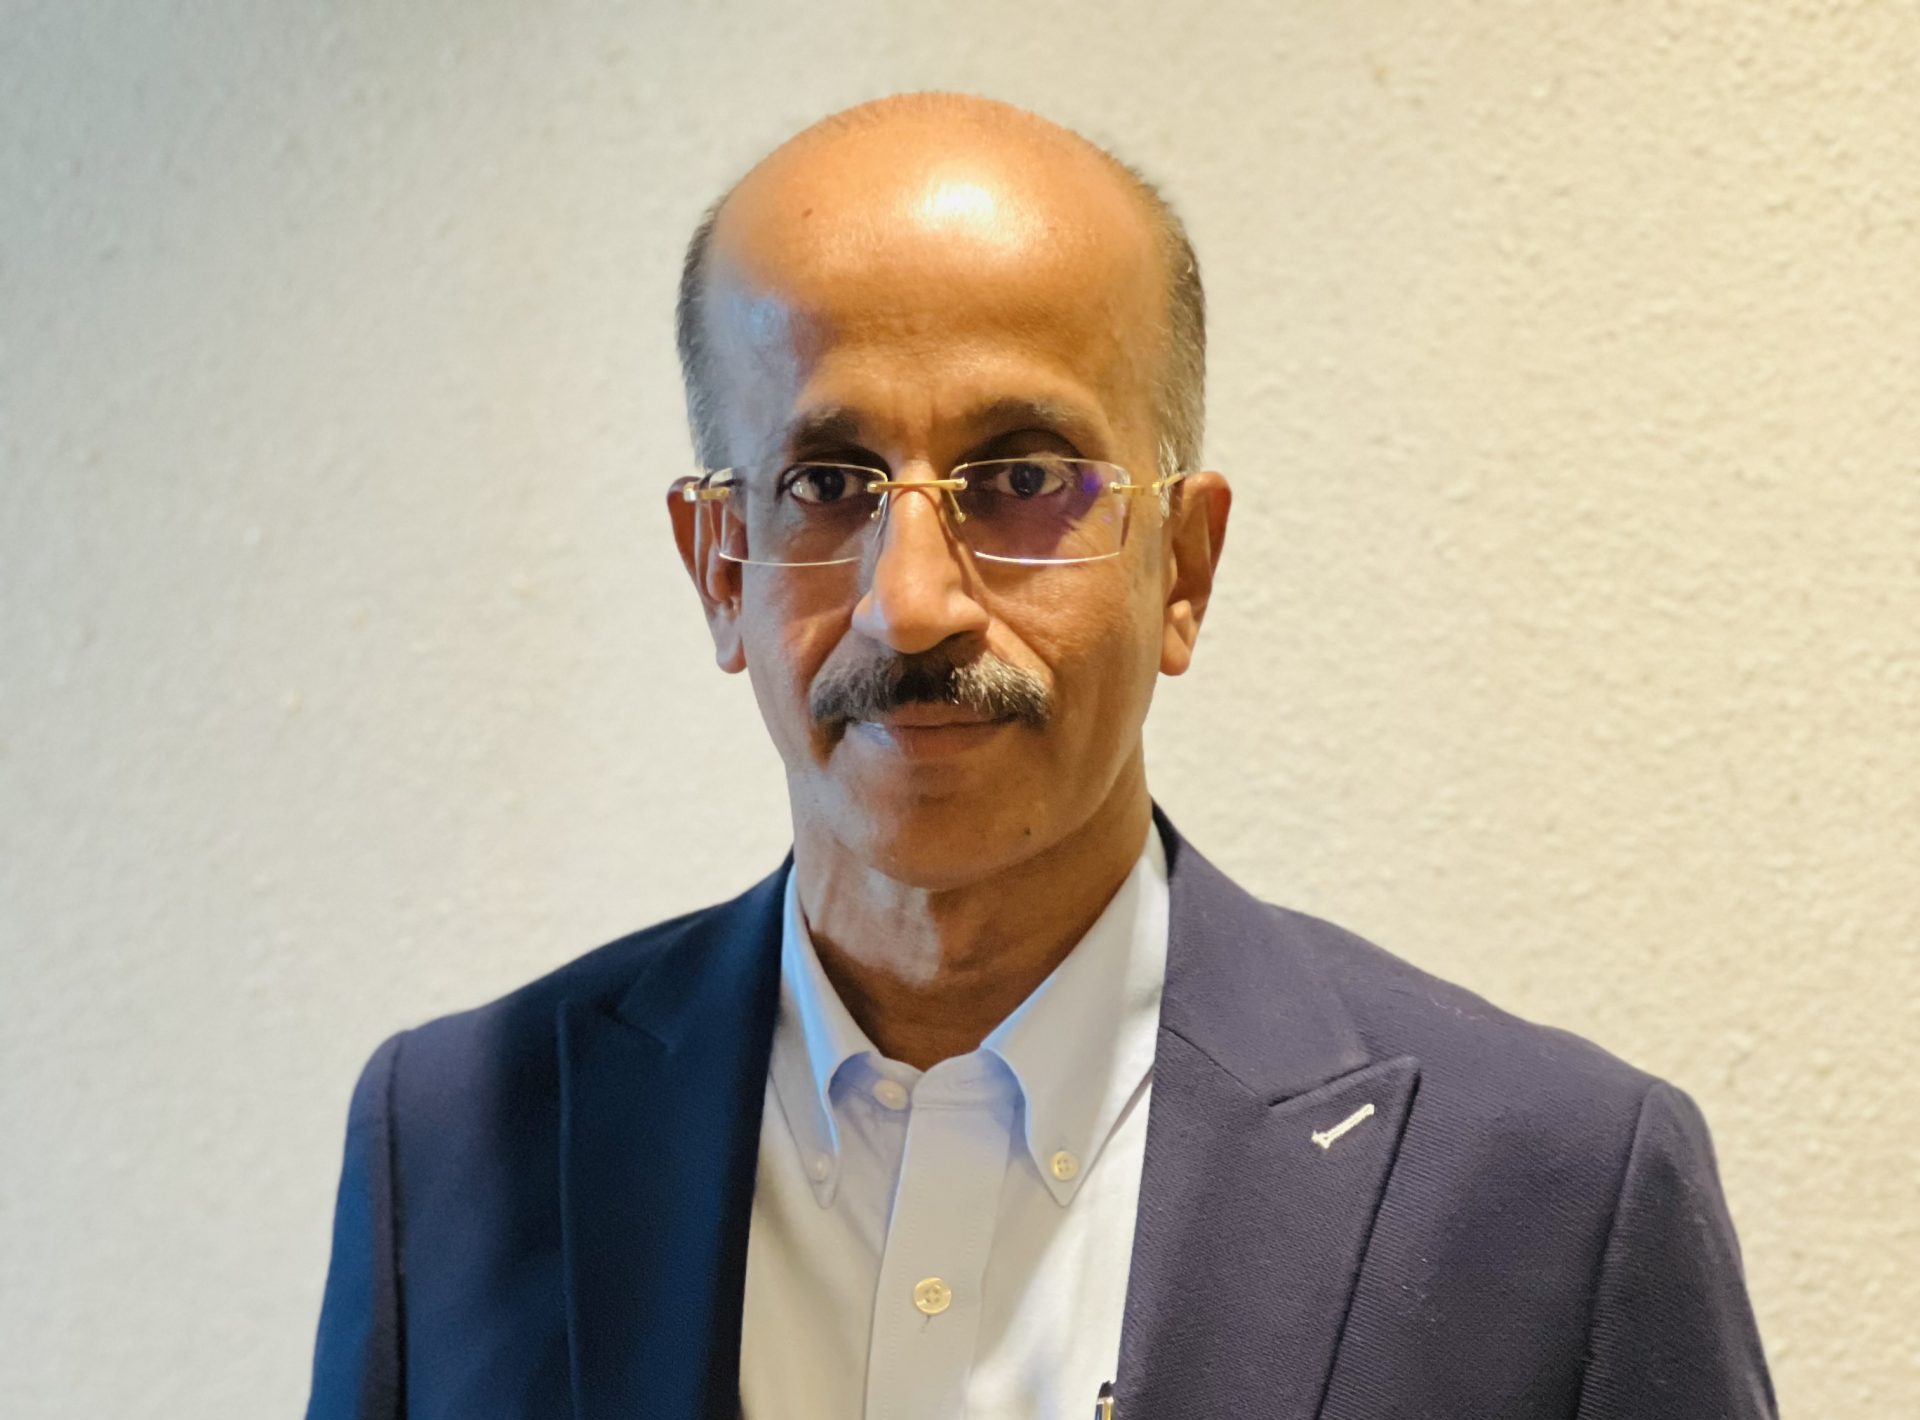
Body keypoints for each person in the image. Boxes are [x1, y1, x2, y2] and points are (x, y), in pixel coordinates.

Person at [305, 93, 1775, 1419]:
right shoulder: (456, 1149)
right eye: (828, 482)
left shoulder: (1554, 1191)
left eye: (1022, 478)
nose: (913, 603)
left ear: (1182, 565)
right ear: (719, 564)